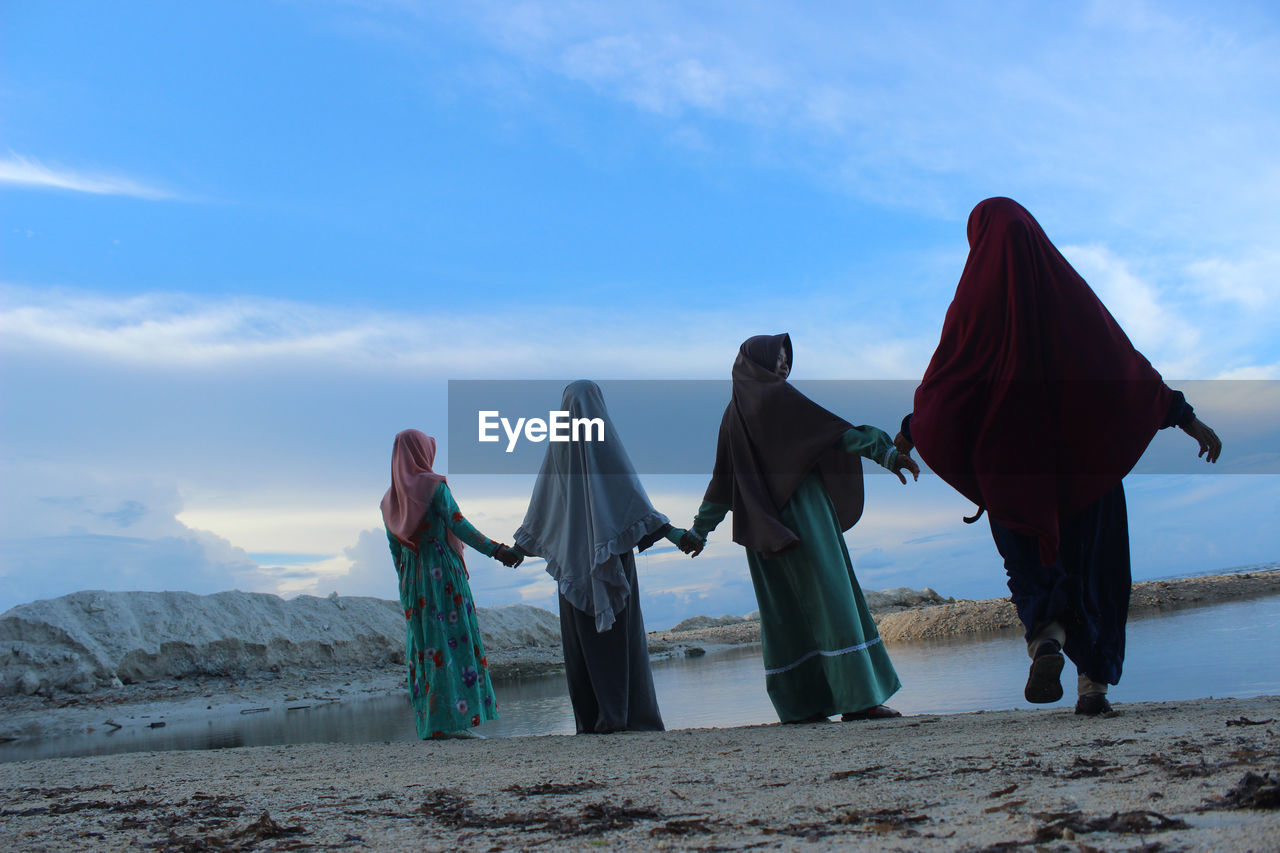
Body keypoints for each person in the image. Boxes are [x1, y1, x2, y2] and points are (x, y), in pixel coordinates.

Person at [895, 197, 1222, 716]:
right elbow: (1123, 369)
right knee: (1100, 573)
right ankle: (1093, 686)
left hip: (1011, 476)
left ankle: (1045, 638)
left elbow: (946, 390)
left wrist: (911, 433)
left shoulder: (972, 308)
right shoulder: (1066, 293)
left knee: (1030, 567)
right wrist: (1187, 419)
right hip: (1085, 473)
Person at [680, 334, 919, 725]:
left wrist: (700, 530)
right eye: (777, 358)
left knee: (786, 613)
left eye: (787, 358)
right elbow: (836, 434)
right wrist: (887, 453)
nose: (784, 365)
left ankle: (802, 705)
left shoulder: (734, 414)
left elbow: (721, 484)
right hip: (806, 516)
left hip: (761, 527)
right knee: (833, 602)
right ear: (754, 363)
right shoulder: (779, 400)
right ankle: (859, 700)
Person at [513, 380, 691, 734]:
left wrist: (515, 551)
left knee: (586, 645)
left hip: (573, 567)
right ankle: (626, 716)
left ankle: (595, 719)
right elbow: (633, 502)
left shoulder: (558, 456)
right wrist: (675, 534)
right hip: (610, 562)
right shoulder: (599, 448)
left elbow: (540, 514)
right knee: (618, 642)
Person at [381, 429, 524, 739]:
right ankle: (458, 721)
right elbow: (458, 524)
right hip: (442, 574)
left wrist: (408, 585)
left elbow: (395, 551)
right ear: (421, 453)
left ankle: (433, 725)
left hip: (412, 580)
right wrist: (497, 550)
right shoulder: (434, 487)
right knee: (452, 642)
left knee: (425, 646)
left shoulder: (389, 501)